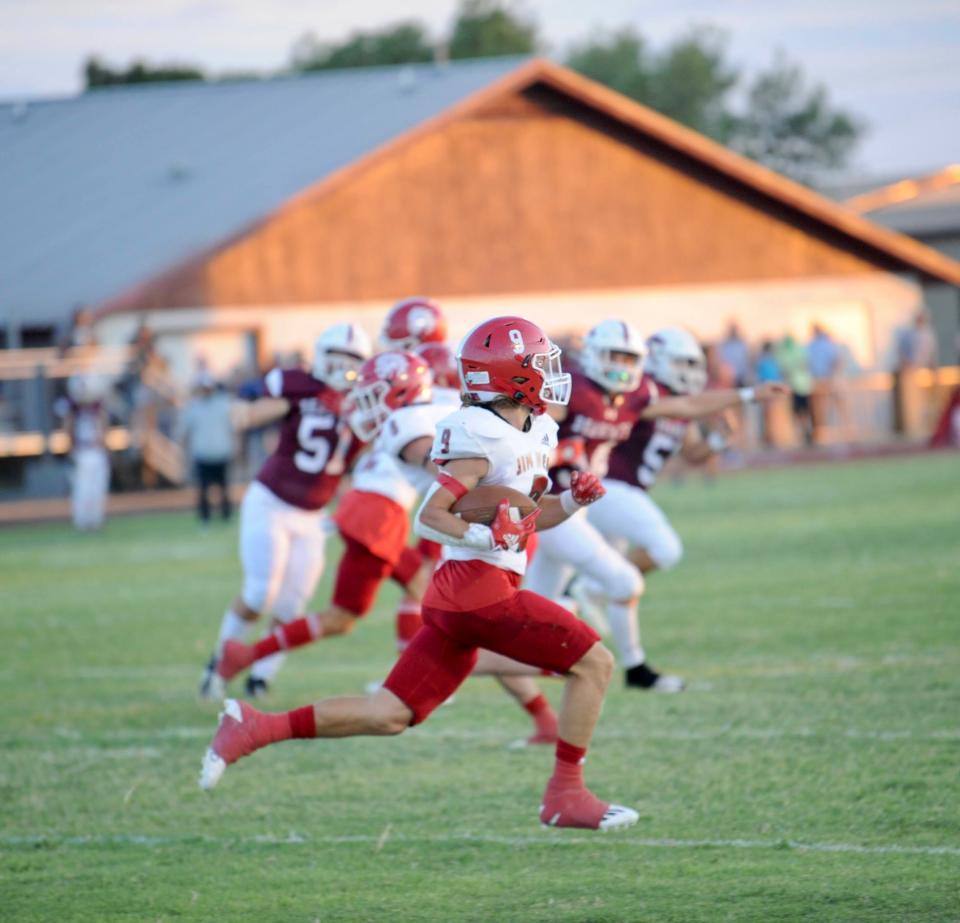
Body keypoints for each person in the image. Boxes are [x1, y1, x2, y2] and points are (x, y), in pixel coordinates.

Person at [200, 316, 638, 831]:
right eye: (538, 363)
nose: (549, 372)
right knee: (596, 664)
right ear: (511, 373)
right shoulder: (471, 432)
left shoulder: (534, 427)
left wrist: (571, 500)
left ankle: (253, 727)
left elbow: (528, 514)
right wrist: (486, 533)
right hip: (479, 590)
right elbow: (433, 515)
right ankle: (565, 794)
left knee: (389, 713)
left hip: (460, 596)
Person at [212, 348, 560, 744]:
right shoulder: (432, 411)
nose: (364, 406)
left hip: (382, 515)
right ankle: (551, 675)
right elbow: (453, 475)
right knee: (438, 610)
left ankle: (545, 692)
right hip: (394, 517)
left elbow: (452, 475)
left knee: (358, 613)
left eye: (373, 395)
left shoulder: (414, 416)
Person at [529, 321, 788, 691]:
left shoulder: (637, 395)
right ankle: (635, 669)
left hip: (577, 506)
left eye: (627, 358)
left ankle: (464, 656)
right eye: (612, 356)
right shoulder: (573, 389)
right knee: (625, 581)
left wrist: (746, 395)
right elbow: (527, 424)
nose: (620, 365)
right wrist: (548, 451)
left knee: (533, 612)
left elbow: (687, 405)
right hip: (554, 507)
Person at [199, 322, 372, 700]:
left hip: (313, 517)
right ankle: (218, 660)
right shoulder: (297, 384)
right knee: (261, 594)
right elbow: (244, 409)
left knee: (291, 605)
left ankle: (260, 677)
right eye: (336, 358)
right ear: (320, 356)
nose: (342, 367)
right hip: (271, 503)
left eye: (351, 360)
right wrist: (255, 405)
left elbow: (359, 458)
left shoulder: (363, 402)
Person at [572, 328, 761, 660]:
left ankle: (627, 659)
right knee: (664, 548)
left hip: (623, 493)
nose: (689, 372)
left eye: (693, 364)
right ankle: (589, 590)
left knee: (618, 582)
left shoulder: (672, 402)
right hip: (609, 486)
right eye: (682, 363)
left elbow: (691, 455)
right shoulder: (643, 393)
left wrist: (717, 441)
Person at [176, 372, 236, 524]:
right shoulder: (193, 407)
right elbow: (185, 432)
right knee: (203, 489)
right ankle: (205, 517)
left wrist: (237, 448)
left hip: (221, 452)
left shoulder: (224, 404)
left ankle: (226, 515)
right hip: (202, 454)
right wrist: (182, 455)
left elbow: (233, 427)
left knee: (224, 488)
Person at [57, 374, 111, 531]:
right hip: (82, 451)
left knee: (97, 487)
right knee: (83, 488)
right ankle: (83, 521)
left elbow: (103, 424)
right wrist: (71, 449)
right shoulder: (72, 408)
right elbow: (67, 427)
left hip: (96, 450)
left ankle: (95, 519)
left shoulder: (96, 406)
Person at [776, 334, 814, 445]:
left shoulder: (794, 352)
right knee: (799, 412)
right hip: (798, 387)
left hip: (801, 386)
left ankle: (806, 432)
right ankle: (804, 433)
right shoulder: (794, 352)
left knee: (803, 412)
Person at [718, 321, 751, 387]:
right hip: (728, 377)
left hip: (741, 376)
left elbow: (746, 359)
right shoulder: (724, 344)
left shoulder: (741, 344)